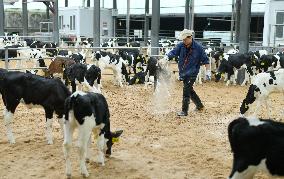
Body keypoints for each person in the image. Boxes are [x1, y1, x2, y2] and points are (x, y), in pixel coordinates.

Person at [164, 29, 211, 116]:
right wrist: (167, 57)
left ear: (190, 37)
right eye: (183, 39)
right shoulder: (181, 45)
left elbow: (206, 61)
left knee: (186, 91)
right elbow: (174, 52)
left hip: (192, 73)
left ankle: (184, 111)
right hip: (183, 72)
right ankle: (200, 106)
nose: (184, 41)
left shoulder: (199, 48)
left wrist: (208, 71)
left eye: (185, 39)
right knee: (189, 90)